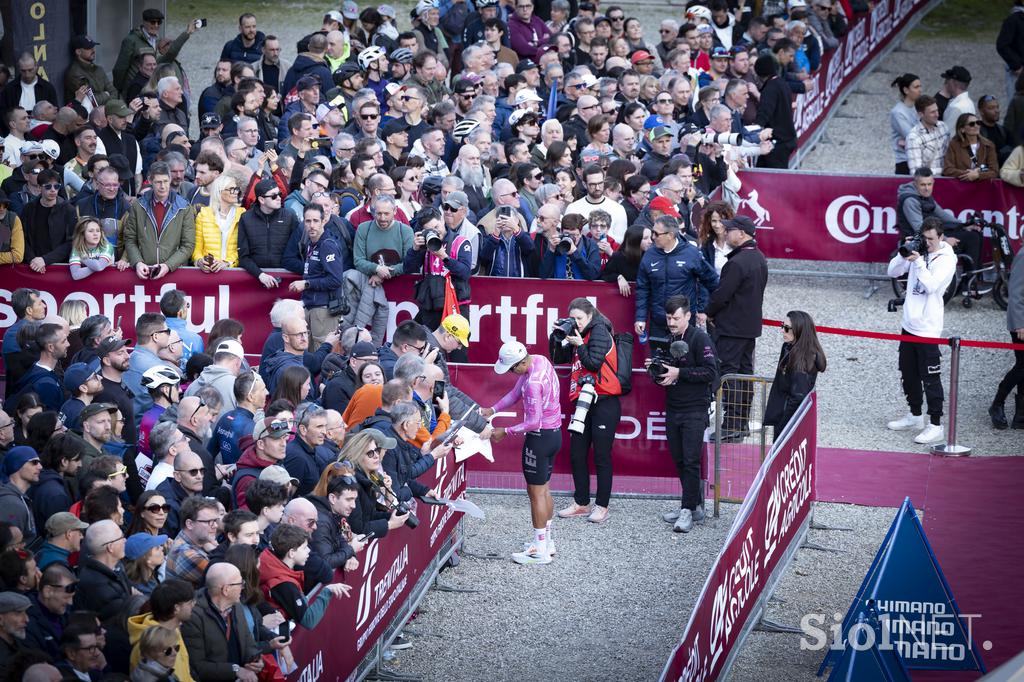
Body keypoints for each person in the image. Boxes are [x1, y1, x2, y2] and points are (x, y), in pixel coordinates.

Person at [479, 342, 559, 565]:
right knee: (544, 490)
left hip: (539, 439)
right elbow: (515, 393)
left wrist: (505, 430)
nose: (512, 373)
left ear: (522, 362)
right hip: (553, 436)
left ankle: (539, 550)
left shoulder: (533, 382)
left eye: (513, 369)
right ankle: (547, 542)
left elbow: (533, 422)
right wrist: (492, 410)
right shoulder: (539, 361)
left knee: (535, 494)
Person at [886, 218, 957, 445]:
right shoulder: (918, 250)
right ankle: (915, 415)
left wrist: (918, 263)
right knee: (908, 373)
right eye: (923, 238)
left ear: (941, 237)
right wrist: (903, 253)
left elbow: (932, 286)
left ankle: (935, 424)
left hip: (928, 328)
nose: (926, 243)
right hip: (909, 325)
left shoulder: (947, 259)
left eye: (931, 239)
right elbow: (892, 271)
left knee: (931, 378)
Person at [555, 299, 622, 525]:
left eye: (579, 319)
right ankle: (581, 502)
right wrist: (558, 337)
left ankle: (602, 506)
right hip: (583, 400)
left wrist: (579, 344)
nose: (576, 323)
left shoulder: (600, 331)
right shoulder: (577, 332)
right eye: (572, 318)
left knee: (602, 455)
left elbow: (593, 363)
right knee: (577, 453)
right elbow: (559, 358)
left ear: (590, 316)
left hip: (604, 400)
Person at [705, 216, 768, 441]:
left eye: (729, 230)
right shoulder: (758, 258)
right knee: (744, 376)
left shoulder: (738, 262)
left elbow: (722, 294)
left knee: (730, 376)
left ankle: (732, 424)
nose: (725, 233)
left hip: (731, 327)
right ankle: (739, 423)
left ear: (741, 233)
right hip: (748, 328)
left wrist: (709, 311)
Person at [182, 562, 283, 682]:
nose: (243, 587)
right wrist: (235, 670)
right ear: (226, 590)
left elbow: (248, 642)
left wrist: (255, 660)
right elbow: (197, 666)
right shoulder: (193, 617)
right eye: (240, 584)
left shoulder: (236, 606)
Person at [635, 216, 719, 345]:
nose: (652, 237)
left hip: (683, 322)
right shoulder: (649, 255)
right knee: (658, 362)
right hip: (658, 321)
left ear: (670, 235)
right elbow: (642, 288)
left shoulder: (691, 254)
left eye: (656, 234)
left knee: (684, 361)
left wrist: (706, 309)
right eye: (653, 232)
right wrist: (640, 317)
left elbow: (710, 281)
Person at [122, 162, 196, 279]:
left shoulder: (184, 207)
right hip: (144, 272)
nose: (163, 186)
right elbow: (130, 239)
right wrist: (138, 263)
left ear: (170, 179)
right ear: (150, 181)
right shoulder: (138, 206)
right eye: (158, 182)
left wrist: (168, 266)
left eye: (166, 181)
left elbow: (188, 245)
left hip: (175, 272)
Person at [764, 311, 827, 436]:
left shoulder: (803, 358)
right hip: (783, 414)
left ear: (799, 330)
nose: (782, 330)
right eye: (782, 325)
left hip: (790, 421)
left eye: (787, 328)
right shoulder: (788, 347)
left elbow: (798, 396)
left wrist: (783, 426)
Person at [991, 249, 1024, 429]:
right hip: (1021, 323)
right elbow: (1016, 292)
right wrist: (1020, 324)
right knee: (1022, 366)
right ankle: (997, 403)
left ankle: (1020, 416)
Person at [74, 519, 132, 621]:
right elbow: (124, 619)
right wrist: (136, 601)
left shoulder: (115, 566)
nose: (125, 540)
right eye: (121, 537)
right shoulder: (99, 588)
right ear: (110, 547)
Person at [0, 447, 41, 543]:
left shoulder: (15, 498)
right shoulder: (11, 504)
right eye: (34, 462)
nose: (40, 467)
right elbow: (7, 546)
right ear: (17, 465)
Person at [942, 112, 999, 182]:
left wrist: (978, 175)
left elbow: (994, 171)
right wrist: (969, 174)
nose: (976, 126)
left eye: (978, 123)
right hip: (961, 186)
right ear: (962, 129)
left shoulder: (988, 145)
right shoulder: (954, 145)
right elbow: (948, 169)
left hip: (982, 188)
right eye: (971, 124)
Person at [906, 95, 951, 175]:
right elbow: (916, 172)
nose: (937, 114)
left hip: (948, 179)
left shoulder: (943, 126)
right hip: (929, 183)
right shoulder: (913, 138)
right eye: (932, 112)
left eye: (937, 110)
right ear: (921, 114)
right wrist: (944, 170)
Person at [890, 73, 922, 175]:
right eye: (916, 87)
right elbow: (912, 137)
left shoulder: (919, 107)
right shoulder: (898, 112)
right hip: (905, 162)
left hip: (921, 159)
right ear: (906, 90)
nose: (920, 90)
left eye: (920, 86)